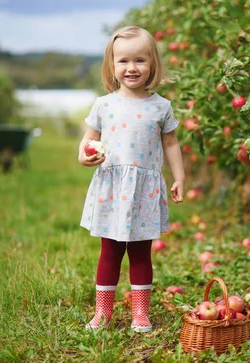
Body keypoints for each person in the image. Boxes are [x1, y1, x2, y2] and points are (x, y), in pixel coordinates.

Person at [78, 26, 185, 333]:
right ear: (112, 64)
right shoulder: (104, 104)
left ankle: (140, 312)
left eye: (140, 60)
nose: (132, 67)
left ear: (153, 64)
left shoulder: (160, 106)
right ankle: (103, 313)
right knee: (109, 251)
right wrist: (85, 157)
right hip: (112, 189)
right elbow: (88, 141)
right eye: (123, 61)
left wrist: (179, 176)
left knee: (141, 252)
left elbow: (171, 144)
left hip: (143, 192)